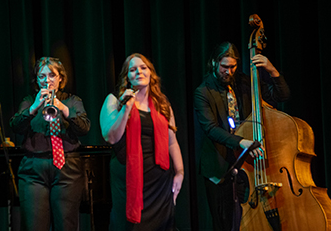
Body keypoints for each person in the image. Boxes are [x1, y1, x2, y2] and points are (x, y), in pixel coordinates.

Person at [194, 41, 290, 231]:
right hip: (219, 167)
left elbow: (282, 95)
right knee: (224, 223)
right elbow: (211, 129)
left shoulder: (246, 83)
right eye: (224, 67)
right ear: (214, 63)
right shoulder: (203, 92)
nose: (228, 72)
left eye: (233, 67)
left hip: (250, 165)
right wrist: (243, 142)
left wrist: (272, 71)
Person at [100, 53, 184, 230]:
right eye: (133, 69)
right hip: (128, 179)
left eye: (143, 67)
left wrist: (180, 172)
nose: (139, 72)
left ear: (151, 73)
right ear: (127, 77)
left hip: (159, 183)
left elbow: (172, 141)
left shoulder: (162, 104)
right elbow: (111, 137)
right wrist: (126, 109)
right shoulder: (114, 100)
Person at [10, 57, 90, 231]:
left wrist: (62, 108)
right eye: (42, 76)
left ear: (60, 78)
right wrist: (34, 108)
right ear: (37, 80)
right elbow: (15, 126)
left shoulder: (72, 100)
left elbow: (84, 128)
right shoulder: (30, 100)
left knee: (66, 225)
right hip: (34, 170)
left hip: (67, 169)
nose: (47, 80)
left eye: (52, 75)